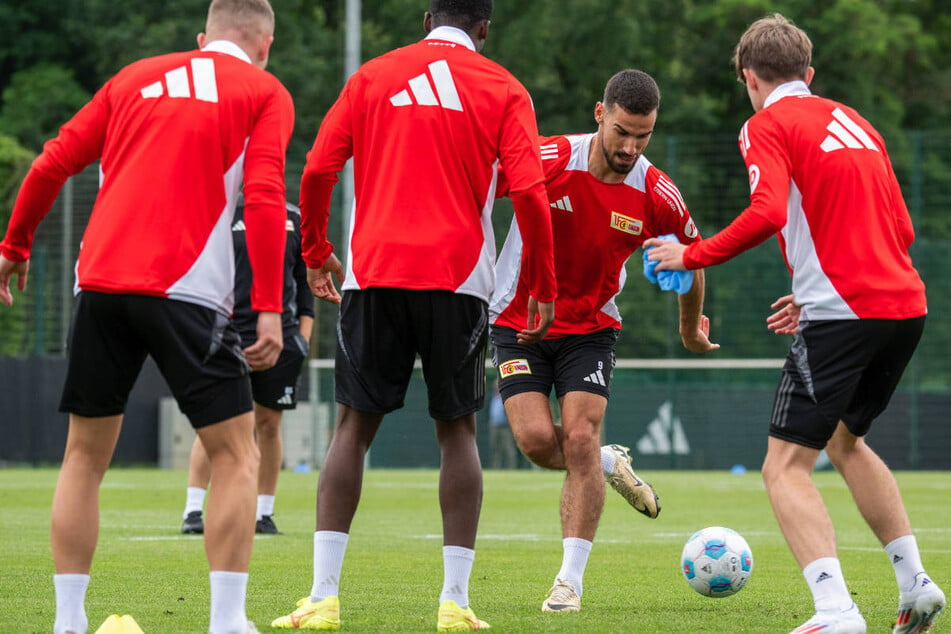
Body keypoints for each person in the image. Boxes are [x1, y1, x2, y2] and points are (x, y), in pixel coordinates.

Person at [645, 14, 945, 634]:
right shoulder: (857, 123)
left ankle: (836, 611)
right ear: (809, 74)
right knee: (846, 443)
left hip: (845, 313)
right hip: (904, 308)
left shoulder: (766, 123)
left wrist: (691, 254)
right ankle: (915, 584)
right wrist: (812, 290)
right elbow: (903, 232)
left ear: (749, 78)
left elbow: (765, 211)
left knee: (783, 467)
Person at [0, 0, 294, 632]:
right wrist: (269, 307)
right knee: (236, 455)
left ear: (200, 38)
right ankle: (226, 621)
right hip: (185, 288)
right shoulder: (264, 90)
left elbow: (52, 161)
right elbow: (267, 195)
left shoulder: (134, 76)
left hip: (99, 281)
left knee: (83, 456)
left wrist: (13, 246)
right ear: (265, 43)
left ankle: (68, 622)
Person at [270, 1, 556, 630]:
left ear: (427, 19)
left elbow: (317, 168)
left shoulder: (372, 75)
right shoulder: (505, 87)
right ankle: (455, 603)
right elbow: (531, 192)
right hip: (459, 282)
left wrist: (316, 251)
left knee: (353, 430)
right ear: (484, 28)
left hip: (374, 273)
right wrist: (540, 280)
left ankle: (322, 596)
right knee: (456, 432)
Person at [490, 68, 718, 614]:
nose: (631, 147)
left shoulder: (656, 192)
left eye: (644, 136)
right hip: (517, 323)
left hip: (591, 329)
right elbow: (475, 189)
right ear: (599, 114)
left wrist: (690, 327)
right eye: (622, 132)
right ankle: (611, 464)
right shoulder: (547, 160)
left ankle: (568, 583)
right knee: (537, 442)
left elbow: (694, 257)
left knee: (580, 439)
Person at [182, 196, 315, 536]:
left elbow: (304, 284)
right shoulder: (222, 213)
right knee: (215, 420)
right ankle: (193, 510)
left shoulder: (294, 219)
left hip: (282, 341)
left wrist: (302, 339)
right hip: (228, 335)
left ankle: (263, 514)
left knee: (269, 424)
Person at [487, 378, 517, 469]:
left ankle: (512, 469)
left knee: (509, 448)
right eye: (495, 385)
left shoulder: (506, 396)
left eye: (498, 384)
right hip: (494, 426)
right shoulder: (490, 397)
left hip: (505, 427)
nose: (496, 386)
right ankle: (495, 468)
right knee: (495, 449)